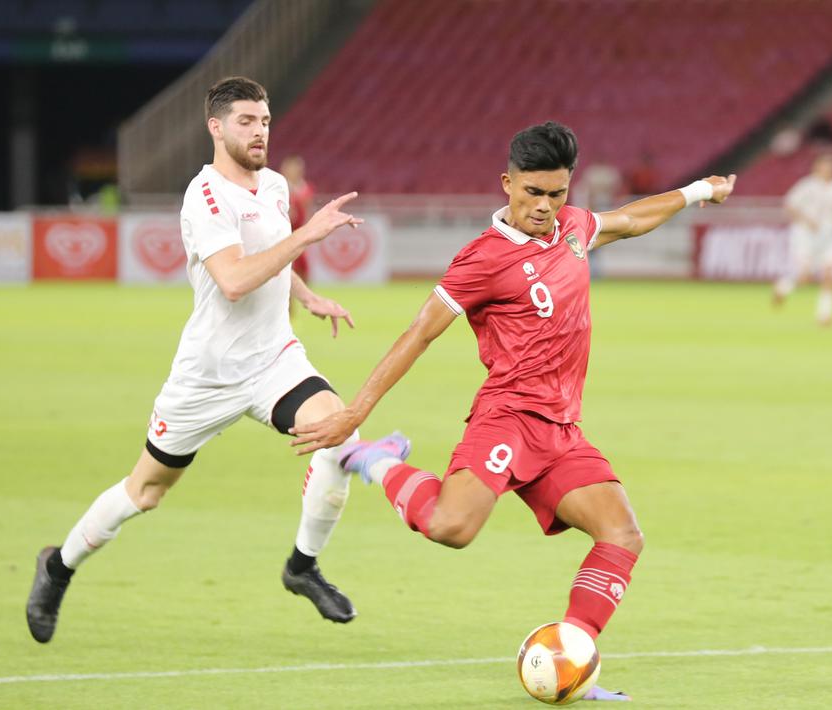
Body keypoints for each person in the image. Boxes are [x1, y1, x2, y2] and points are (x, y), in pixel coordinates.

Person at [290, 122, 736, 701]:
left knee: (622, 535)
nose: (545, 207)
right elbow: (419, 334)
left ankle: (573, 660)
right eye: (533, 193)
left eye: (556, 194)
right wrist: (355, 412)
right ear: (507, 184)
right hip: (507, 418)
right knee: (451, 528)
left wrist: (701, 190)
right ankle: (373, 460)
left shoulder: (573, 228)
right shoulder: (482, 259)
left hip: (561, 430)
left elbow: (630, 219)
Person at [26, 76, 368, 643]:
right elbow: (233, 280)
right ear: (216, 127)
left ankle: (301, 566)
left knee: (342, 433)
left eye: (264, 121)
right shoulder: (205, 196)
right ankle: (57, 567)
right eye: (245, 122)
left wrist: (307, 296)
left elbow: (270, 265)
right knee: (146, 493)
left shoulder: (277, 187)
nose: (259, 132)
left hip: (274, 360)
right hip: (208, 375)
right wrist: (308, 237)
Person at [772, 152, 832, 325]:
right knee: (805, 277)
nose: (831, 169)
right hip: (805, 235)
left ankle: (824, 315)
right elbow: (789, 205)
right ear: (817, 167)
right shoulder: (807, 186)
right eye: (827, 165)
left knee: (829, 274)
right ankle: (783, 286)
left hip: (828, 236)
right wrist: (807, 220)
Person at [281, 155, 315, 283]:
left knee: (303, 269)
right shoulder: (280, 186)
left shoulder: (305, 187)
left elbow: (307, 210)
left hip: (300, 234)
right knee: (285, 271)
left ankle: (307, 299)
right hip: (284, 235)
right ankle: (286, 302)